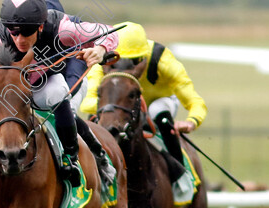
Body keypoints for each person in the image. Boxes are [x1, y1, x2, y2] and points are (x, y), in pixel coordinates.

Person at [0, 0, 120, 186]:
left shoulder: (63, 28)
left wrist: (101, 49)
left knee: (60, 96)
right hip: (15, 88)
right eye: (14, 32)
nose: (20, 39)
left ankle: (75, 157)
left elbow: (107, 32)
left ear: (41, 27)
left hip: (51, 80)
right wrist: (1, 82)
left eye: (27, 32)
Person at [80, 21, 207, 181]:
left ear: (143, 56)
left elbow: (194, 101)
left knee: (158, 113)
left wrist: (192, 121)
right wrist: (115, 109)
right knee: (95, 119)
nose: (124, 68)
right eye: (118, 60)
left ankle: (180, 175)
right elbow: (88, 102)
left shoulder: (162, 60)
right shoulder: (105, 60)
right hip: (124, 108)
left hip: (158, 101)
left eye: (133, 62)